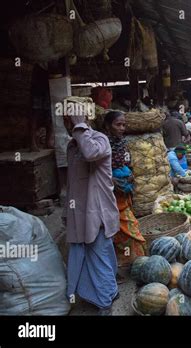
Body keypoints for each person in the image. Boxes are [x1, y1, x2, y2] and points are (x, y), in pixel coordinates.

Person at [62, 112, 120, 315]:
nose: (67, 124)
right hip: (80, 212)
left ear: (82, 119)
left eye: (69, 120)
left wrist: (80, 124)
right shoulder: (72, 146)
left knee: (100, 257)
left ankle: (105, 304)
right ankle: (108, 292)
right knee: (98, 257)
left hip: (98, 212)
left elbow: (90, 154)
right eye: (66, 120)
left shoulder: (98, 140)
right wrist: (66, 212)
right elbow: (71, 183)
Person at [103, 111, 146, 271]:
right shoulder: (103, 144)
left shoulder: (123, 143)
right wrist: (111, 180)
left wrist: (130, 175)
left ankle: (131, 262)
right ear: (108, 126)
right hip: (111, 194)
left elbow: (129, 163)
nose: (122, 128)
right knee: (124, 227)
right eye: (118, 125)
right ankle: (122, 265)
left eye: (124, 125)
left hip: (124, 191)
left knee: (128, 225)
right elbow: (99, 170)